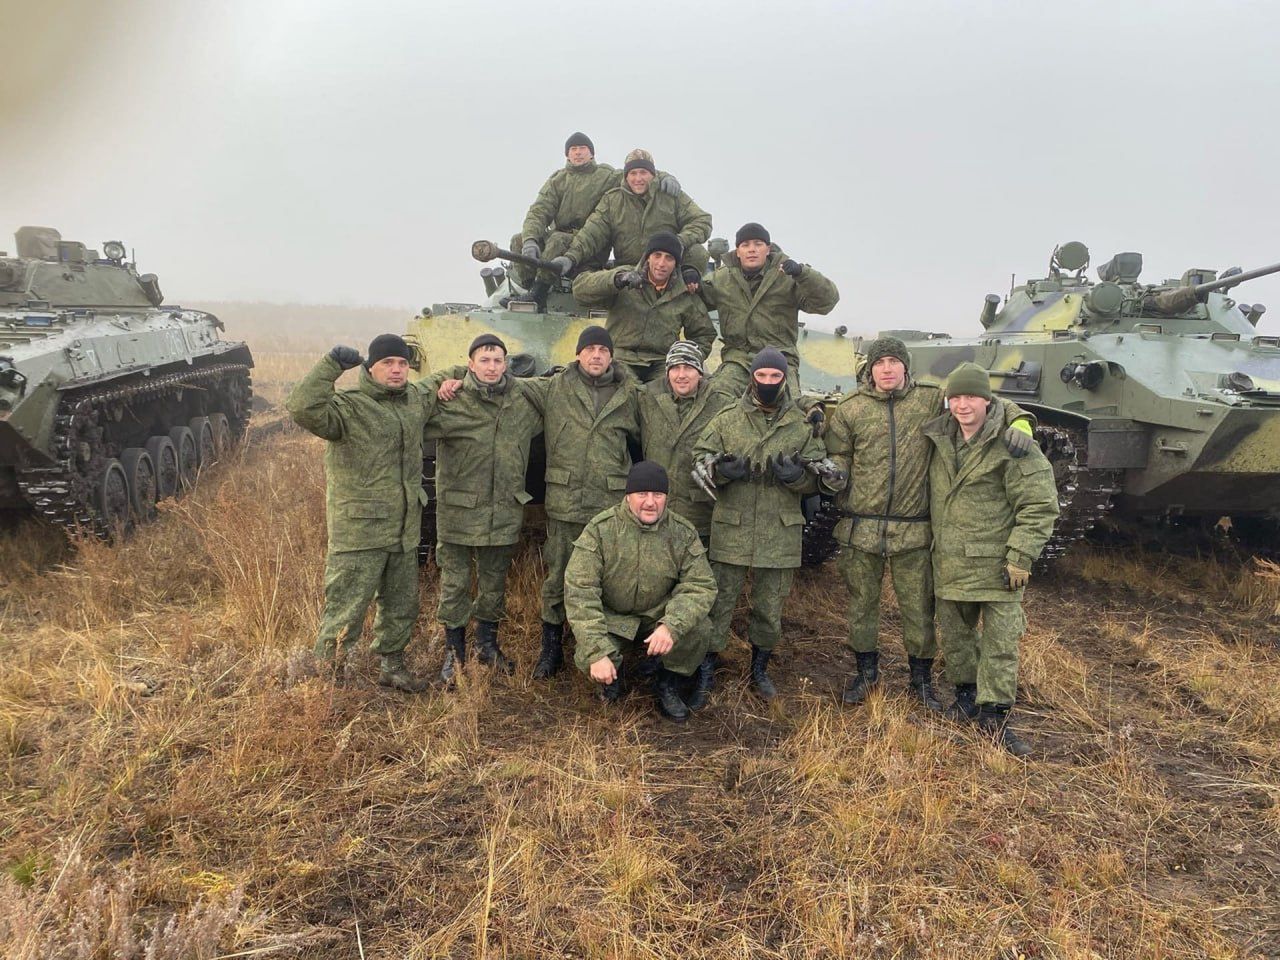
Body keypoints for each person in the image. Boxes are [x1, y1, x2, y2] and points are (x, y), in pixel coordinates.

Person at [822, 338, 1039, 710]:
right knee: (862, 606)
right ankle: (866, 673)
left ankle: (920, 681)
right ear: (869, 368)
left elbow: (974, 396)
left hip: (913, 529)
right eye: (880, 362)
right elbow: (839, 455)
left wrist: (1020, 418)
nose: (887, 368)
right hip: (862, 528)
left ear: (906, 366)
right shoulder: (850, 408)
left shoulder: (928, 399)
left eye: (894, 361)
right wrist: (834, 475)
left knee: (919, 609)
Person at [924, 362, 1060, 756]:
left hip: (998, 566)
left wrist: (1020, 556)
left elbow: (1039, 504)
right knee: (956, 638)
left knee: (1001, 644)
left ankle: (995, 715)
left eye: (972, 397)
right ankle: (967, 697)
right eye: (957, 397)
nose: (964, 406)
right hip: (949, 561)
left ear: (988, 400)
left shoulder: (1013, 445)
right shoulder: (938, 438)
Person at [284, 334, 431, 692]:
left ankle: (393, 667)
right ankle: (328, 683)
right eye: (387, 364)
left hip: (402, 528)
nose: (396, 370)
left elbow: (440, 384)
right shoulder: (348, 407)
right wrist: (330, 365)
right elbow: (301, 407)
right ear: (370, 368)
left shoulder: (413, 401)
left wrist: (461, 373)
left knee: (401, 605)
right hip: (360, 531)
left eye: (401, 363)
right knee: (346, 607)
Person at [693, 348, 842, 698]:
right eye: (762, 376)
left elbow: (820, 477)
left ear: (784, 380)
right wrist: (721, 473)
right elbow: (700, 458)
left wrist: (797, 480)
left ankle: (759, 668)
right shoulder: (727, 418)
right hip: (733, 523)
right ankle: (706, 669)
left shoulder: (800, 425)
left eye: (775, 377)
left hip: (779, 527)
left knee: (770, 605)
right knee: (719, 601)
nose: (769, 383)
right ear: (752, 378)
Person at [420, 334, 545, 682]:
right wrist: (442, 381)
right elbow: (413, 410)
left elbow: (560, 393)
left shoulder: (522, 400)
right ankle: (454, 653)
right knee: (456, 584)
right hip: (458, 510)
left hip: (503, 509)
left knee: (493, 583)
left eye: (498, 361)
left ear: (506, 364)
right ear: (471, 364)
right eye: (484, 361)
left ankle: (487, 647)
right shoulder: (452, 400)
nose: (492, 367)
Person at [524, 326, 643, 680]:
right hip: (567, 499)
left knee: (609, 579)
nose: (596, 355)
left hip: (609, 503)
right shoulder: (554, 387)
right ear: (578, 354)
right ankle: (552, 646)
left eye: (602, 350)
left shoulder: (630, 393)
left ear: (611, 356)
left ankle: (601, 647)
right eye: (589, 349)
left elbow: (647, 439)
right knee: (559, 574)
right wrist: (455, 377)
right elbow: (505, 383)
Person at [564, 461, 716, 722]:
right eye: (642, 494)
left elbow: (700, 585)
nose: (650, 502)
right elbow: (580, 592)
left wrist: (671, 625)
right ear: (628, 496)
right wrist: (597, 652)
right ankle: (610, 678)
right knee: (586, 654)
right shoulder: (600, 530)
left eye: (657, 495)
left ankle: (667, 681)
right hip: (614, 619)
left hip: (657, 617)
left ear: (666, 498)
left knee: (700, 629)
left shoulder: (682, 532)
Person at [637, 341, 735, 708]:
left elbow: (762, 405)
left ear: (700, 371)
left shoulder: (722, 403)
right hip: (656, 509)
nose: (681, 375)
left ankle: (699, 664)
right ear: (667, 372)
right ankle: (656, 656)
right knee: (655, 584)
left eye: (689, 368)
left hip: (698, 511)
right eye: (675, 368)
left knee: (699, 590)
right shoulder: (648, 397)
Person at [701, 222, 840, 398]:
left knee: (791, 406)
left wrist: (802, 273)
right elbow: (694, 301)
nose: (752, 249)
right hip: (738, 360)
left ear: (768, 248)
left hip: (780, 359)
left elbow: (826, 302)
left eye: (758, 244)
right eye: (745, 245)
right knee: (715, 398)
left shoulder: (787, 278)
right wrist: (690, 276)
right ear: (737, 251)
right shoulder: (721, 280)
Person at [571, 231, 717, 382]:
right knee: (624, 388)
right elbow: (580, 290)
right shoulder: (627, 276)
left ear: (676, 264)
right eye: (657, 255)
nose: (661, 263)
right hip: (622, 357)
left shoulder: (683, 292)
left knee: (668, 394)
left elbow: (703, 334)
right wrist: (616, 280)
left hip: (662, 361)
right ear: (648, 257)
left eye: (669, 258)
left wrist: (685, 360)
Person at [554, 148, 711, 281]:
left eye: (643, 172)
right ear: (626, 176)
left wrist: (678, 242)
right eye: (633, 173)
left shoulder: (669, 196)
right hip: (627, 272)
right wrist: (570, 258)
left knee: (698, 252)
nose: (638, 179)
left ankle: (687, 287)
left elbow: (702, 220)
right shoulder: (612, 200)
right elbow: (591, 233)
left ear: (653, 174)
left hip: (665, 270)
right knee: (587, 284)